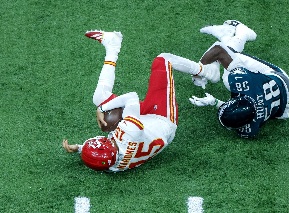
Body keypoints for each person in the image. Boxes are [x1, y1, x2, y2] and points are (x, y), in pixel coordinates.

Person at [62, 30, 219, 172]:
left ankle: (112, 45)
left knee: (100, 97)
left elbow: (104, 157)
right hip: (162, 118)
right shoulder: (129, 132)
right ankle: (208, 72)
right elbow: (132, 97)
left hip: (144, 130)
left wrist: (80, 148)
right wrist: (102, 108)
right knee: (163, 60)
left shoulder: (114, 167)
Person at [188, 20, 289, 138]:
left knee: (230, 55)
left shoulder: (250, 128)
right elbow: (218, 50)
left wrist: (215, 102)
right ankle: (240, 33)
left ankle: (231, 34)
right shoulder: (244, 82)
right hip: (277, 76)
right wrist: (199, 73)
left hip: (281, 90)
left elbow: (242, 107)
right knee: (230, 56)